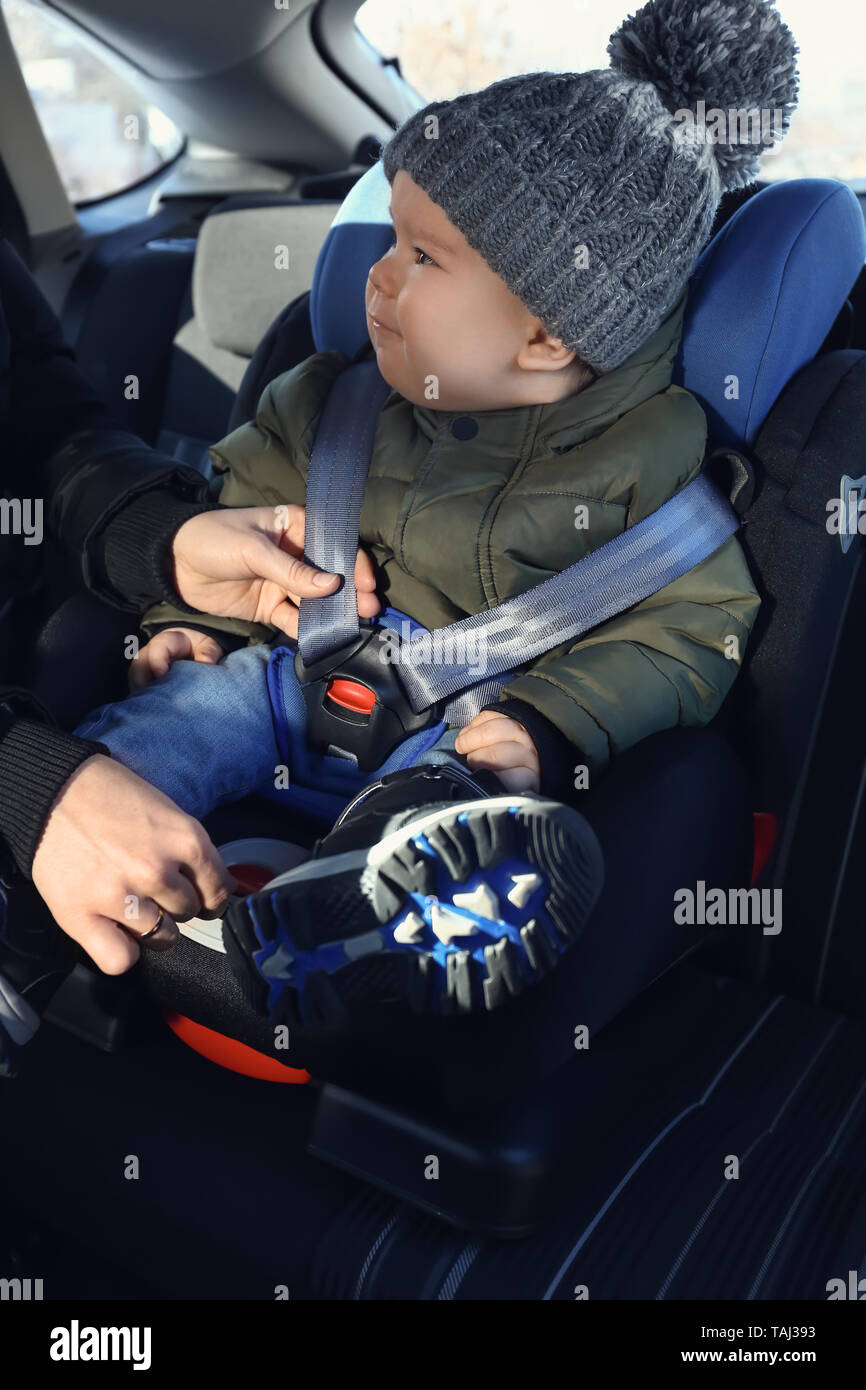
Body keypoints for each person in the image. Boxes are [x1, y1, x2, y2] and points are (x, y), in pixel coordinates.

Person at [72, 0, 797, 1028]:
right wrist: (197, 627)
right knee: (176, 720)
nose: (376, 270)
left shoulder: (652, 467)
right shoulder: (327, 399)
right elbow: (238, 523)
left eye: (423, 257)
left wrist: (541, 725)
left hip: (470, 724)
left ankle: (369, 926)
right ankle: (85, 833)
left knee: (459, 809)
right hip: (284, 674)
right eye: (392, 234)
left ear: (545, 332)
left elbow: (683, 634)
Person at [0, 233, 364, 983]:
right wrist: (29, 784)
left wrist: (166, 543)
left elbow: (48, 430)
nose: (378, 272)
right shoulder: (320, 400)